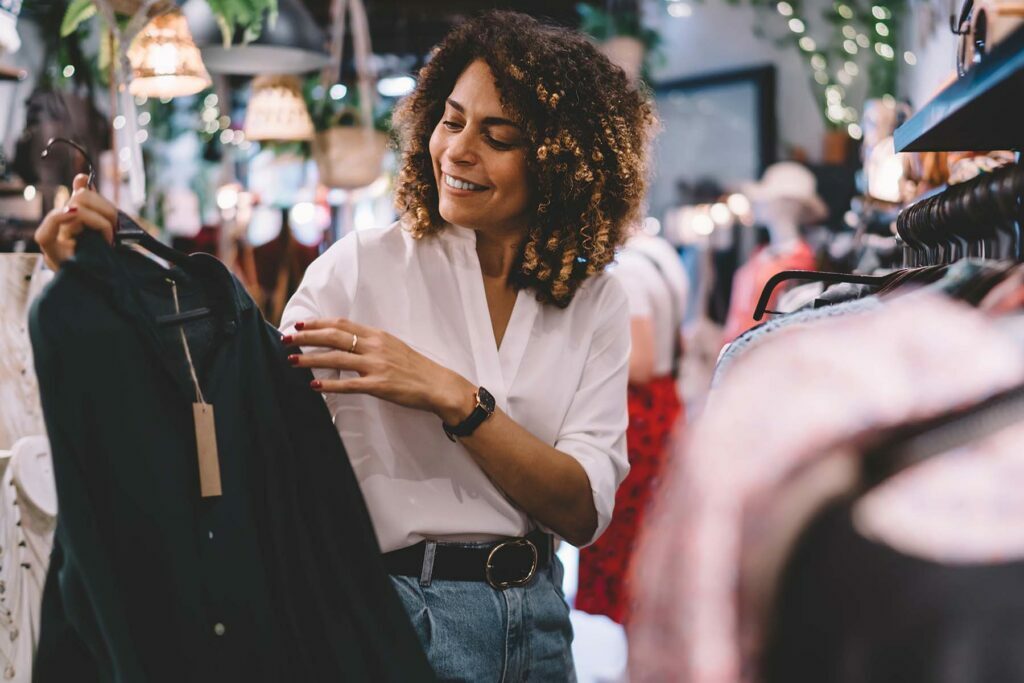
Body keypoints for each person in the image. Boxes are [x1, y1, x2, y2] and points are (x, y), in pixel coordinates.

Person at [33, 10, 656, 680]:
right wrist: (124, 263)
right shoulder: (362, 268)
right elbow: (245, 391)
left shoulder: (591, 298)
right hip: (398, 617)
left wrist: (452, 396)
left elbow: (583, 507)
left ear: (562, 162)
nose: (457, 150)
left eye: (497, 135)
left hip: (540, 625)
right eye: (451, 119)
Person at [575, 230, 687, 624]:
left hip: (637, 415)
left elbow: (638, 362)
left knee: (626, 542)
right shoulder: (661, 257)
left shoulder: (625, 273)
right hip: (665, 401)